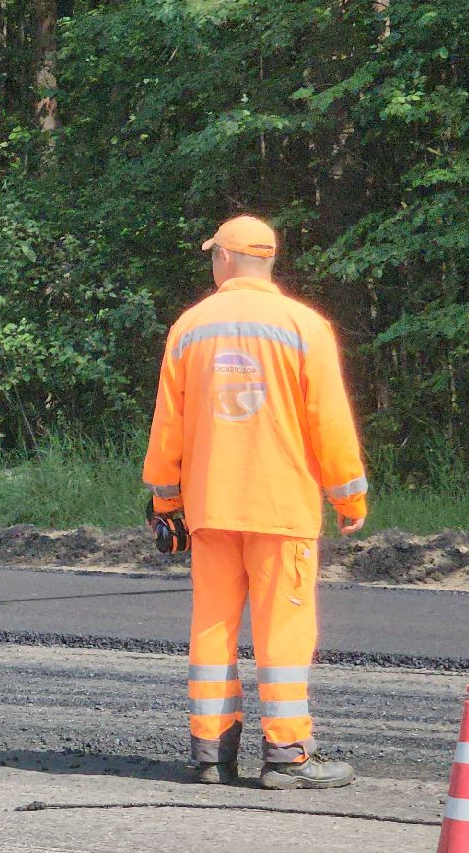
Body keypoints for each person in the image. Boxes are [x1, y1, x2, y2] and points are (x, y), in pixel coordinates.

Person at [143, 215, 369, 790]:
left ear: (223, 259)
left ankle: (212, 753)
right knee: (283, 635)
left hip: (210, 508)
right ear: (266, 261)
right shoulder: (305, 327)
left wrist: (166, 498)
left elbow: (168, 425)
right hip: (282, 506)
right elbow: (330, 421)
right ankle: (288, 756)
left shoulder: (190, 328)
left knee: (212, 626)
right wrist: (349, 494)